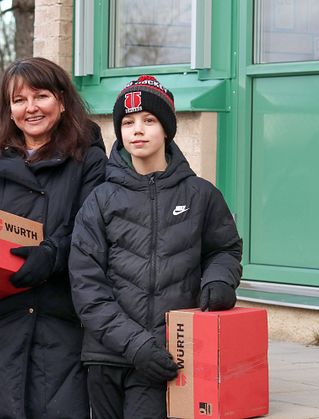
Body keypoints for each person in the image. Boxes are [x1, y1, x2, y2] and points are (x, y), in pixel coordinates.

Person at [68, 75, 243, 419]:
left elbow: (224, 249)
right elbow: (86, 285)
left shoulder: (201, 195)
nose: (138, 130)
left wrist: (220, 280)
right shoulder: (100, 200)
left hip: (165, 356)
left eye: (149, 120)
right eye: (128, 122)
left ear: (167, 129)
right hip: (106, 355)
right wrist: (134, 344)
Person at [0, 57, 108, 419]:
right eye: (19, 100)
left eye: (40, 96)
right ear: (9, 109)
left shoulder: (90, 160)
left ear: (62, 100)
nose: (30, 108)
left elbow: (93, 232)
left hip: (56, 322)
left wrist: (51, 254)